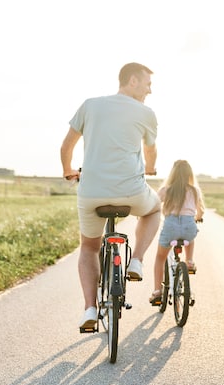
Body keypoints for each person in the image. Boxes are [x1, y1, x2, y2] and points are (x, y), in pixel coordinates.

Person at [60, 62, 161, 330]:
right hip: (132, 192)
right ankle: (136, 260)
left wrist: (67, 171)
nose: (150, 91)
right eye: (147, 84)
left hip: (91, 192)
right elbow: (151, 152)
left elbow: (67, 145)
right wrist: (149, 168)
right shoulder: (146, 113)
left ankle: (90, 309)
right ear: (132, 81)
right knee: (153, 210)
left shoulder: (90, 105)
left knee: (90, 248)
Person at [149, 160, 205, 305]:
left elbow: (153, 205)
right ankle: (190, 261)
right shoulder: (194, 190)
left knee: (160, 257)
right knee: (190, 236)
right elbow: (200, 211)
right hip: (188, 227)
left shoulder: (166, 190)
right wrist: (198, 218)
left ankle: (157, 291)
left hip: (170, 227)